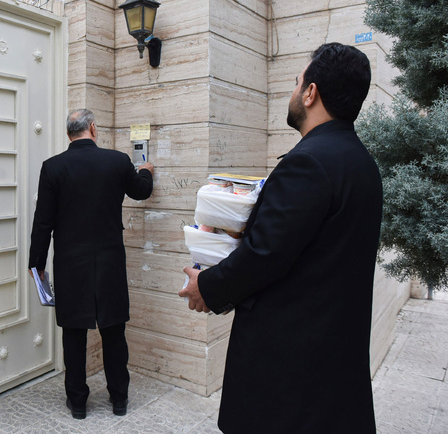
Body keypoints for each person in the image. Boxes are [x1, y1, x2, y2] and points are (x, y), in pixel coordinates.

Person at [180, 43, 382, 433]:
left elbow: (265, 254)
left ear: (310, 93)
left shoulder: (309, 162)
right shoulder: (362, 163)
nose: (293, 92)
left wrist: (206, 285)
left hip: (290, 373)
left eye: (296, 82)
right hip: (335, 362)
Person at [29, 109, 154, 420]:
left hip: (71, 263)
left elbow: (43, 222)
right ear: (94, 129)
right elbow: (141, 191)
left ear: (70, 134)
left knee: (74, 333)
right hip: (110, 261)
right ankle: (120, 399)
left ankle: (79, 403)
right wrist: (147, 170)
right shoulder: (116, 161)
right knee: (113, 331)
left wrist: (37, 264)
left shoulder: (53, 167)